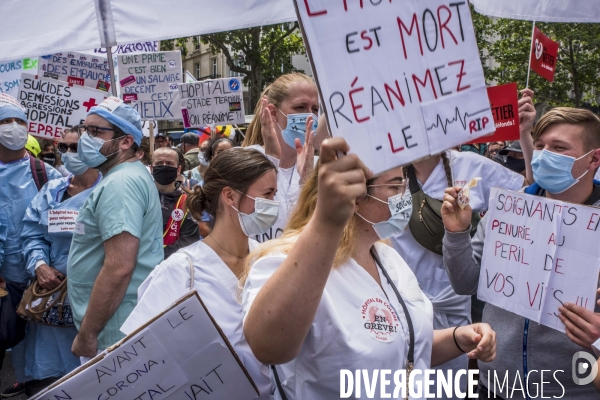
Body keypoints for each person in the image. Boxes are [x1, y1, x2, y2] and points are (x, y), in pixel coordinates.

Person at [242, 137, 496, 399]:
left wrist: (457, 338)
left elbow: (404, 345)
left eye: (405, 184)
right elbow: (268, 347)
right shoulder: (286, 262)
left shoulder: (388, 258)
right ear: (355, 197)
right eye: (396, 186)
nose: (405, 196)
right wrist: (326, 221)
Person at [441, 107, 600, 398]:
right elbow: (465, 283)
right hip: (497, 384)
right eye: (539, 146)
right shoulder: (507, 210)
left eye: (559, 148)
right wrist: (456, 233)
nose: (543, 154)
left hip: (574, 390)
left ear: (594, 159)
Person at [386, 92, 534, 398]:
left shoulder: (468, 166)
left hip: (453, 314)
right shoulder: (384, 174)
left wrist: (525, 136)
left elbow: (530, 196)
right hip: (396, 306)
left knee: (447, 391)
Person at [121, 148, 278, 396]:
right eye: (267, 194)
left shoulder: (270, 260)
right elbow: (143, 360)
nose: (274, 205)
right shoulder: (181, 271)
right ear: (230, 196)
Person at [67, 97, 164, 361]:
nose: (86, 137)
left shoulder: (120, 184)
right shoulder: (126, 175)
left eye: (96, 131)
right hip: (120, 324)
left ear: (125, 142)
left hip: (112, 333)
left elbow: (119, 267)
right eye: (85, 129)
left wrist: (88, 334)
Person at [20, 128, 101, 395]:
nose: (67, 154)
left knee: (91, 375)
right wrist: (39, 265)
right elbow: (32, 232)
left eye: (75, 148)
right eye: (62, 148)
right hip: (50, 294)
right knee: (48, 374)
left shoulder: (109, 190)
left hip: (92, 295)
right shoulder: (52, 190)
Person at [0, 95, 62, 397]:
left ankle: (32, 381)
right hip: (3, 279)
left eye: (19, 121)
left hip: (41, 277)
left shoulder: (45, 173)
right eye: (5, 122)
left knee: (38, 337)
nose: (13, 128)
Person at [242, 72, 319, 242]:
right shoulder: (246, 161)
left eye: (315, 109)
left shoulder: (319, 165)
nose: (309, 116)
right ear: (273, 113)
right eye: (300, 107)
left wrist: (309, 181)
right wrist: (272, 162)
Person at [151, 146, 200, 258]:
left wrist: (159, 258)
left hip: (174, 265)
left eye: (169, 163)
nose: (164, 166)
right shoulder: (140, 196)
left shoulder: (188, 202)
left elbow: (189, 240)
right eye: (159, 163)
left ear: (178, 169)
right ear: (151, 168)